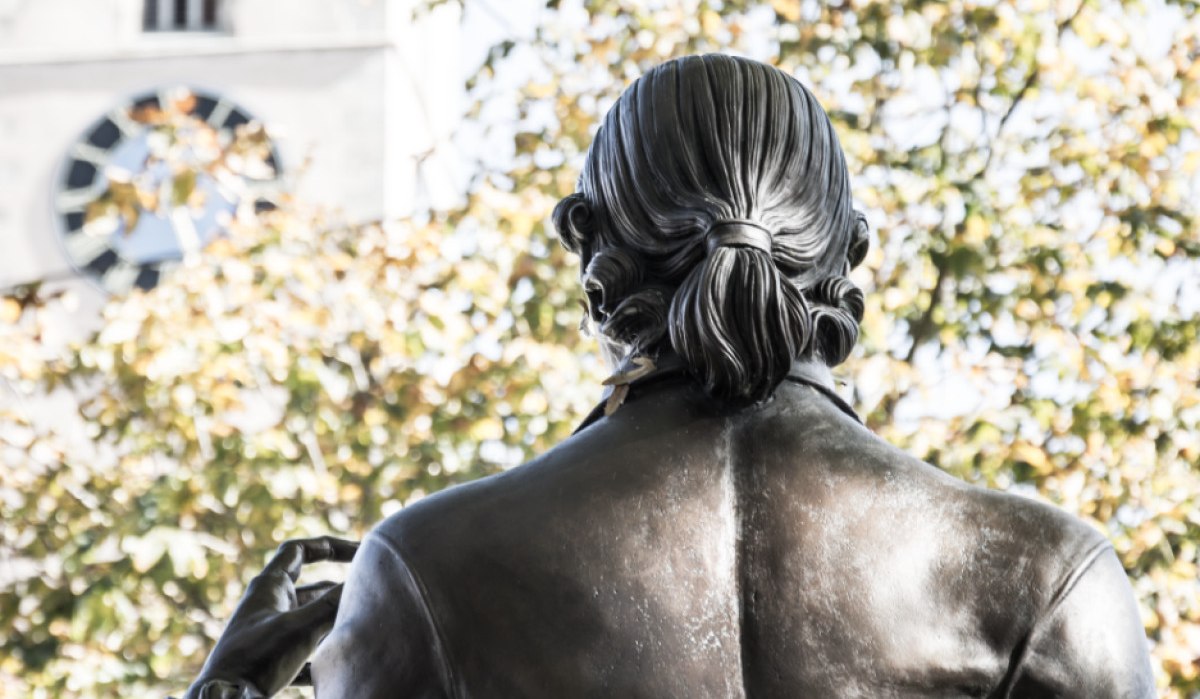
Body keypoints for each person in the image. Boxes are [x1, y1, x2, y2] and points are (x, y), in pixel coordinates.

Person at [183, 55, 1155, 698]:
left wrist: (227, 691)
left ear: (591, 248)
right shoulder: (1045, 574)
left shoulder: (428, 567)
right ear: (847, 255)